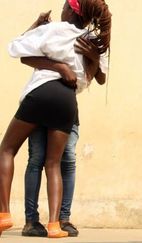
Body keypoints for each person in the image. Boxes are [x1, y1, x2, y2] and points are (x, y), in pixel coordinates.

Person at [0, 0, 111, 238]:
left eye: (64, 5)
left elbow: (16, 49)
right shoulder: (93, 39)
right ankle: (53, 225)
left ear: (70, 10)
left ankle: (4, 214)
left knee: (8, 150)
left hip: (41, 94)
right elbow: (100, 77)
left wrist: (36, 25)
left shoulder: (54, 31)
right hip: (66, 100)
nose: (61, 9)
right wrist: (63, 67)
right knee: (53, 163)